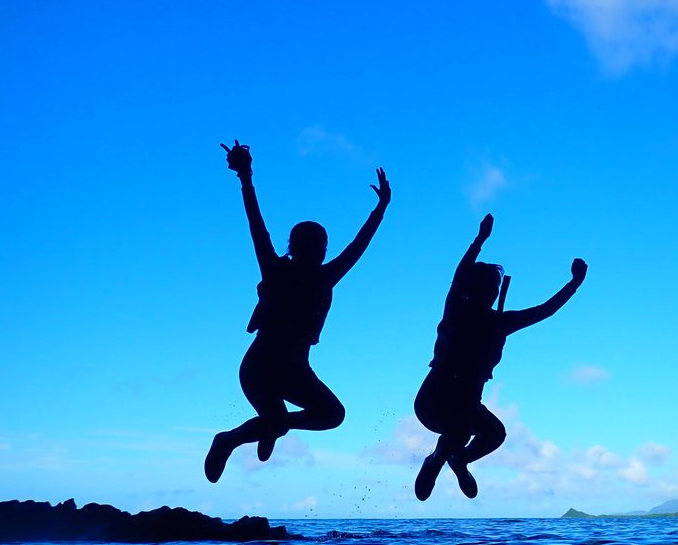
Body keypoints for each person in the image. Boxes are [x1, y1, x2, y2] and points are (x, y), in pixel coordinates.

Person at [204, 141, 390, 483]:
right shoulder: (276, 271)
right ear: (295, 248)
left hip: (296, 369)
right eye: (312, 246)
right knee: (275, 421)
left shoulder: (326, 276)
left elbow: (359, 245)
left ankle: (271, 428)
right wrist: (245, 176)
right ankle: (228, 440)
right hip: (260, 366)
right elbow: (256, 224)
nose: (319, 251)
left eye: (322, 246)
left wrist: (381, 209)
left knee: (332, 415)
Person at [414, 213, 586, 500]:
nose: (490, 293)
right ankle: (436, 459)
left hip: (466, 404)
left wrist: (574, 284)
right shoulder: (456, 309)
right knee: (458, 433)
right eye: (486, 288)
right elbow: (460, 274)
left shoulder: (499, 322)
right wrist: (479, 240)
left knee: (494, 434)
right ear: (473, 290)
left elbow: (546, 310)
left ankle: (459, 460)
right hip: (434, 401)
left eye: (492, 289)